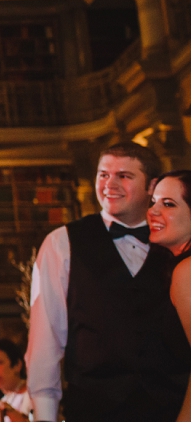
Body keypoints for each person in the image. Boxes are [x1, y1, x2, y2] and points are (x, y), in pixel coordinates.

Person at [25, 142, 188, 421]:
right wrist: (45, 418)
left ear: (152, 186)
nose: (110, 184)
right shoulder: (61, 244)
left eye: (124, 175)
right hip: (94, 411)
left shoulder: (176, 242)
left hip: (171, 409)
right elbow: (44, 345)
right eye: (103, 174)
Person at [147, 170, 191, 422]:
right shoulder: (176, 268)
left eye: (168, 204)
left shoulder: (187, 271)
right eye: (153, 202)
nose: (153, 211)